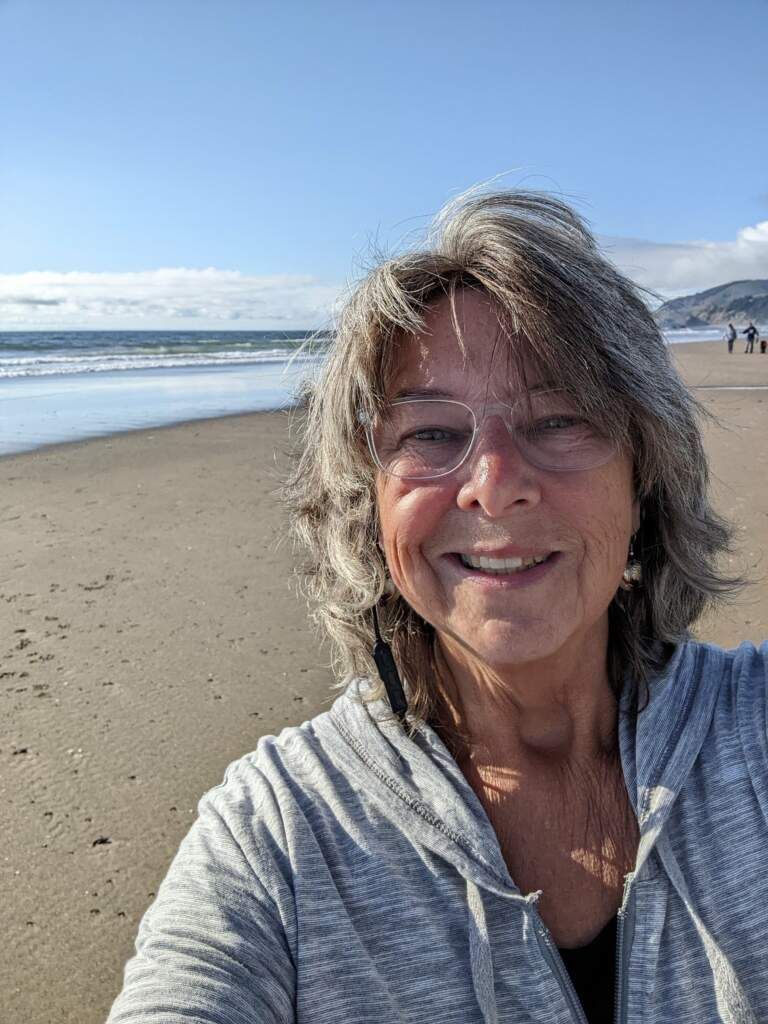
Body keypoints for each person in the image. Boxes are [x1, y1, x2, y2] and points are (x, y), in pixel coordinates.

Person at [107, 190, 768, 1024]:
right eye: (428, 434)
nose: (493, 485)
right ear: (368, 502)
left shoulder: (756, 733)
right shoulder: (276, 836)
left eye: (559, 417)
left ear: (644, 481)